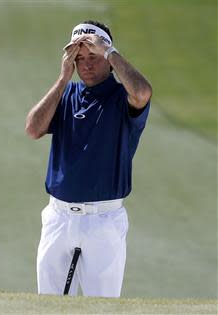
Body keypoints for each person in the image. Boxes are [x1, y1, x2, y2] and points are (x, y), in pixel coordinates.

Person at [25, 20, 152, 297]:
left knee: (102, 307)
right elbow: (33, 128)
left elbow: (142, 93)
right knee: (48, 305)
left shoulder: (122, 97)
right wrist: (62, 79)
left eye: (93, 56)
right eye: (79, 58)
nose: (86, 64)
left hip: (103, 221)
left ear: (107, 59)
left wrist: (109, 51)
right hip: (58, 218)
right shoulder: (66, 94)